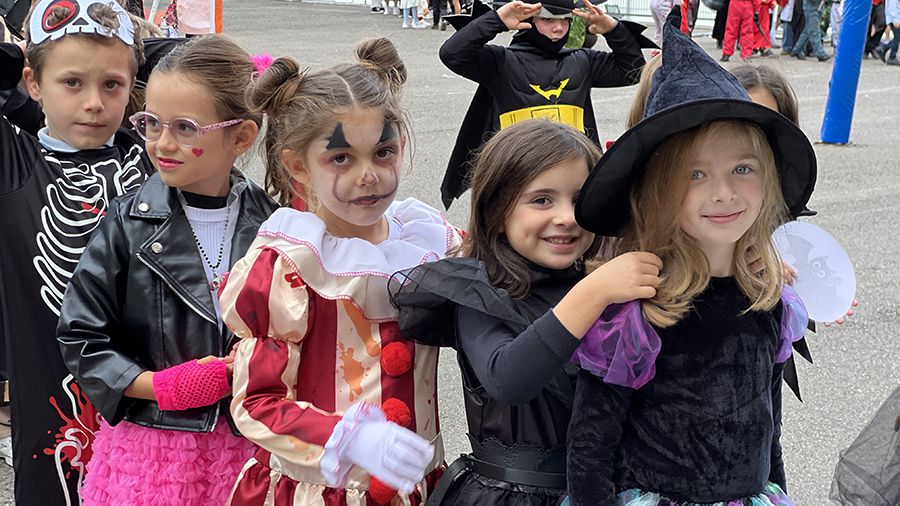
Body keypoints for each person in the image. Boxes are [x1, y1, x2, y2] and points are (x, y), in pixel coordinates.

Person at [564, 11, 816, 505]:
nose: (723, 193)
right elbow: (590, 452)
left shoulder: (771, 300)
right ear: (658, 190)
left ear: (768, 180)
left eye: (742, 168)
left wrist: (779, 490)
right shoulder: (638, 312)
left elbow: (770, 433)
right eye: (695, 174)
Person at [218, 37, 460, 505]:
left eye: (383, 152)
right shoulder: (291, 264)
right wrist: (351, 438)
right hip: (321, 490)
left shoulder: (430, 241)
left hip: (415, 487)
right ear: (297, 166)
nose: (368, 175)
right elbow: (256, 402)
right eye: (341, 158)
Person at [389, 119, 661, 505]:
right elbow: (508, 379)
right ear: (497, 210)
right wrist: (594, 293)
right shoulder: (479, 290)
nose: (567, 217)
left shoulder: (604, 281)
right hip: (512, 495)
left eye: (579, 199)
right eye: (542, 200)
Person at [56, 35, 278, 505]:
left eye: (185, 128)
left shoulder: (278, 227)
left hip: (253, 447)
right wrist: (160, 387)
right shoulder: (127, 223)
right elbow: (81, 336)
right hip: (152, 451)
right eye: (151, 122)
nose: (161, 143)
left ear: (241, 136)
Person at [0, 0, 155, 503]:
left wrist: (149, 56)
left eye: (112, 84)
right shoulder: (14, 164)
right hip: (51, 403)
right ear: (33, 82)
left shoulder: (152, 159)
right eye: (72, 83)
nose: (94, 103)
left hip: (153, 400)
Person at [438, 0, 651, 208]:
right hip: (519, 168)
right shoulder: (501, 62)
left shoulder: (583, 61)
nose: (558, 28)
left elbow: (633, 71)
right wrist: (496, 20)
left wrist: (613, 30)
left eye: (565, 19)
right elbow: (452, 54)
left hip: (574, 169)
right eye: (547, 19)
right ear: (529, 19)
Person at [873, 0, 900, 64]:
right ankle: (891, 57)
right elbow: (892, 7)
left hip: (894, 17)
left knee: (897, 37)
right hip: (895, 19)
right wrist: (896, 20)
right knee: (897, 37)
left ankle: (883, 49)